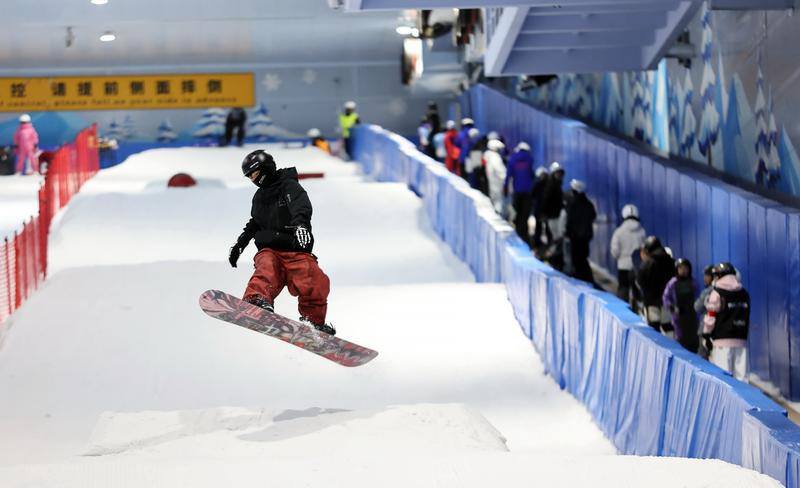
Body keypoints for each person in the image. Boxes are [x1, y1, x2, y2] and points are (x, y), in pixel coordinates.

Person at [228, 150, 335, 336]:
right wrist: (240, 244)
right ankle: (256, 300)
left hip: (295, 249)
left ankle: (313, 321)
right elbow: (255, 222)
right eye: (249, 176)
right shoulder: (259, 196)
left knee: (315, 280)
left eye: (254, 173)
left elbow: (300, 206)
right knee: (267, 268)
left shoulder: (288, 185)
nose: (253, 179)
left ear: (265, 168)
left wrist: (301, 225)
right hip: (270, 249)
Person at [702, 262, 750, 381]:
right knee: (742, 379)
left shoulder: (717, 293)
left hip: (721, 341)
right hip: (741, 340)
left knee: (723, 378)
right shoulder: (744, 293)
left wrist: (706, 335)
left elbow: (711, 317)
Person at [636, 236, 675, 335]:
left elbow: (640, 280)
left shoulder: (648, 263)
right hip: (666, 301)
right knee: (668, 327)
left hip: (651, 301)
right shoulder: (670, 261)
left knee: (654, 328)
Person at [610, 204, 646, 305]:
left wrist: (620, 258)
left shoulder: (619, 232)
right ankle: (639, 310)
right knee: (638, 289)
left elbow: (615, 251)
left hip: (623, 266)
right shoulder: (642, 232)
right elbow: (645, 250)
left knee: (623, 290)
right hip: (637, 267)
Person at [563, 179, 596, 283]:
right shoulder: (588, 204)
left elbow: (570, 221)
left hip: (575, 238)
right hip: (585, 237)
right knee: (583, 259)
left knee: (577, 260)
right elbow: (593, 216)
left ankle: (582, 280)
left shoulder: (573, 204)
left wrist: (568, 233)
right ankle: (587, 279)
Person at [663, 258, 699, 352]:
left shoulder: (693, 282)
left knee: (692, 340)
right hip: (678, 317)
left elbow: (698, 298)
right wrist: (672, 307)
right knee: (680, 340)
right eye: (681, 268)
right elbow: (665, 297)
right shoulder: (673, 282)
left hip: (691, 316)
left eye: (685, 268)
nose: (683, 271)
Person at [504, 142, 535, 243]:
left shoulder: (513, 159)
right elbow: (531, 174)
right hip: (528, 191)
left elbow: (508, 175)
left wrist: (505, 187)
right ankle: (524, 235)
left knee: (517, 212)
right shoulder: (529, 159)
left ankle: (518, 233)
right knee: (524, 214)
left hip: (517, 191)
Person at [540, 162, 566, 244]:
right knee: (556, 236)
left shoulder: (557, 185)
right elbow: (546, 199)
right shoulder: (551, 185)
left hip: (556, 214)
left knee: (558, 236)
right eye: (557, 173)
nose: (559, 175)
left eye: (560, 173)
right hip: (553, 215)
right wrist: (544, 213)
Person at [694, 265, 715, 359]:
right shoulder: (722, 290)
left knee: (703, 358)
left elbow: (697, 307)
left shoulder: (708, 291)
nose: (705, 278)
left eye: (707, 275)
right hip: (717, 332)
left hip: (706, 329)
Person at [483, 139, 507, 213]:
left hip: (492, 181)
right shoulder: (495, 158)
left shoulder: (488, 156)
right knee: (498, 200)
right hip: (497, 182)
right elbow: (500, 171)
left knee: (493, 198)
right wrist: (506, 179)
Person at [531, 167, 549, 252]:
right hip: (539, 209)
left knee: (547, 228)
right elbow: (533, 196)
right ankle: (537, 244)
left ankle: (545, 245)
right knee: (539, 227)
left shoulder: (548, 185)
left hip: (545, 209)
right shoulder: (537, 185)